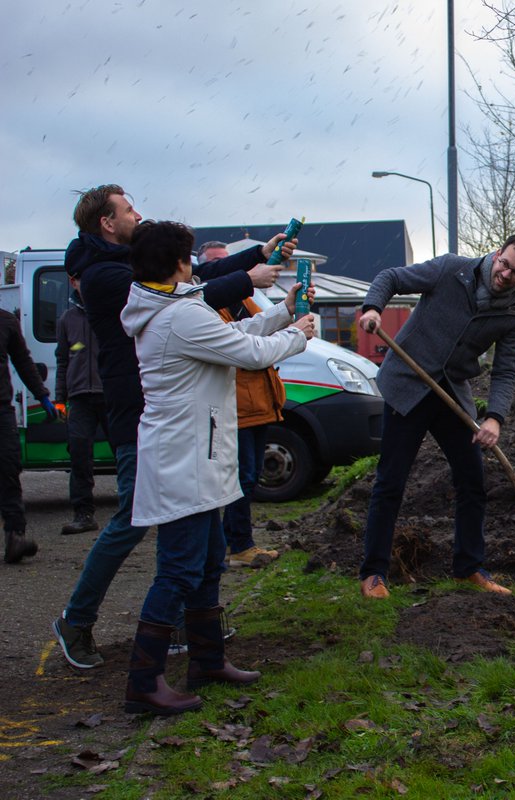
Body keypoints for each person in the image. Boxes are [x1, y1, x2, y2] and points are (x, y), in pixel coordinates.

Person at [52, 185, 290, 670]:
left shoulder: (129, 264)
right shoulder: (105, 276)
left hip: (165, 412)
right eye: (128, 208)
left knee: (192, 531)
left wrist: (256, 256)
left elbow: (192, 278)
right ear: (106, 222)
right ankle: (78, 621)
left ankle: (191, 631)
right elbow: (192, 294)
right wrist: (249, 278)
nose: (138, 214)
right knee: (132, 522)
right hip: (141, 413)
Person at [120, 220, 313, 715]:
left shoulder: (175, 309)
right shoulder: (178, 316)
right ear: (179, 263)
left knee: (207, 563)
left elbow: (234, 333)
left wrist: (282, 313)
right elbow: (248, 353)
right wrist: (296, 334)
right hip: (183, 460)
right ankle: (143, 681)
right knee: (178, 570)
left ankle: (208, 661)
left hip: (198, 459)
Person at [356, 234, 515, 599]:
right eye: (504, 264)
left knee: (472, 480)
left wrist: (495, 418)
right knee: (391, 482)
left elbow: (505, 370)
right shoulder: (451, 269)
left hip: (451, 392)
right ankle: (374, 573)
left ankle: (468, 568)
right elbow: (391, 277)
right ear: (497, 253)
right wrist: (373, 307)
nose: (505, 274)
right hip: (408, 384)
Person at [197, 240, 282, 567]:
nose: (228, 268)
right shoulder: (205, 309)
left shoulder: (247, 300)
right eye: (218, 264)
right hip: (235, 405)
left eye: (229, 262)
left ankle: (232, 543)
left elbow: (261, 335)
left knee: (248, 475)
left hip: (260, 401)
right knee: (240, 478)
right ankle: (237, 546)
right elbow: (241, 343)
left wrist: (288, 312)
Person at [1, 308, 58, 564]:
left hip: (1, 409)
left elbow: (22, 361)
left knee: (8, 468)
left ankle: (15, 536)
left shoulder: (5, 320)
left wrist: (42, 395)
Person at [55, 275, 107, 536]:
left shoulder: (112, 311)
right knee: (79, 455)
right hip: (79, 398)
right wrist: (58, 399)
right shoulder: (67, 319)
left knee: (128, 453)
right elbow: (63, 360)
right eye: (79, 279)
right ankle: (83, 513)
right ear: (73, 282)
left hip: (111, 394)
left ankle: (137, 509)